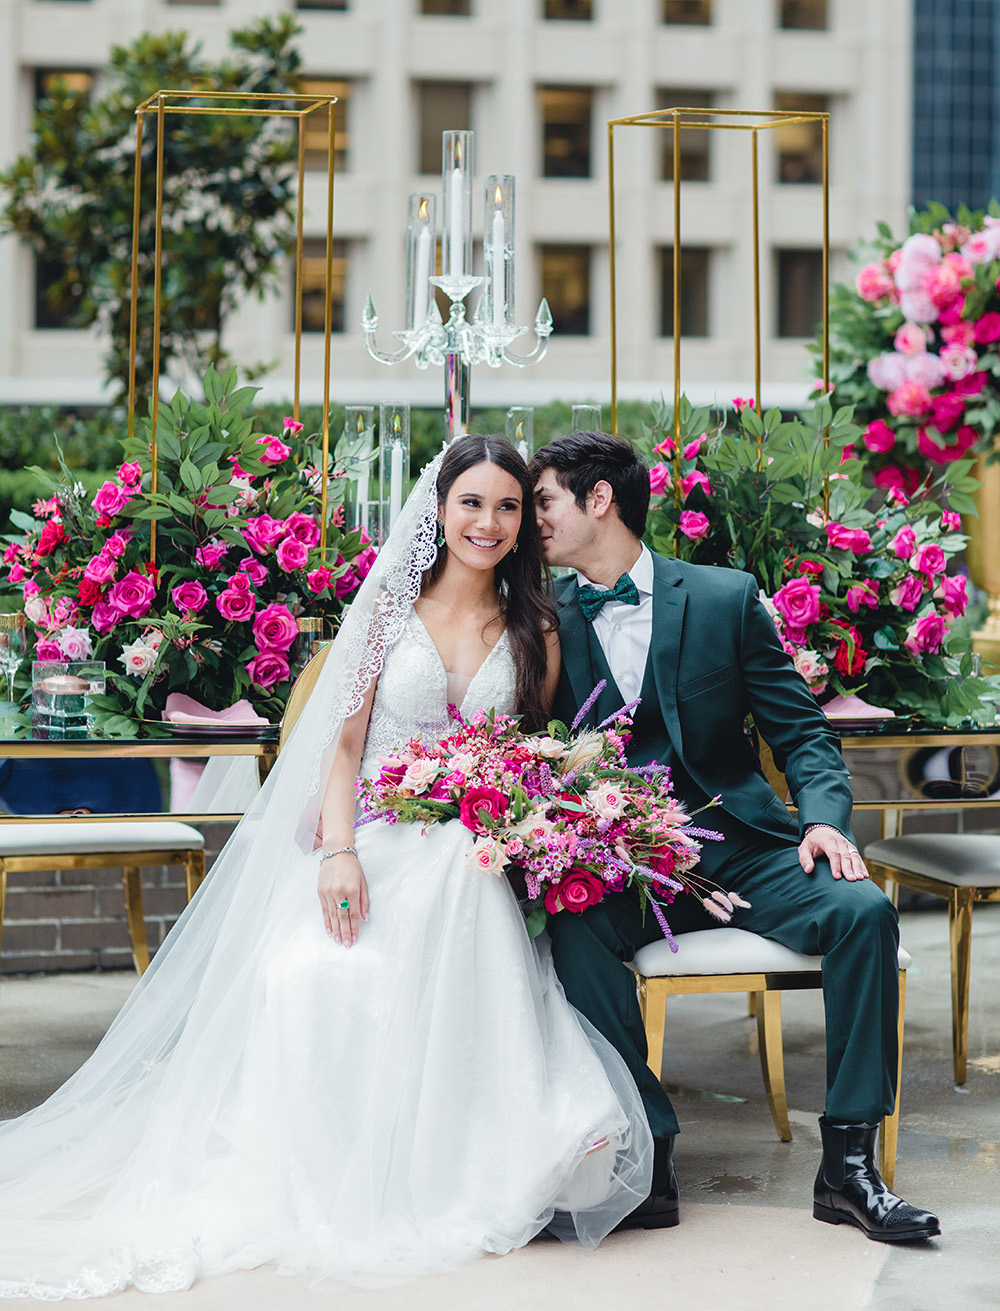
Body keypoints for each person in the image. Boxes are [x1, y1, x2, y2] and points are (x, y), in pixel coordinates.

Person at [0, 436, 651, 1299]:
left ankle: (471, 1151)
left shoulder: (535, 626)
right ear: (439, 508)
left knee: (465, 867)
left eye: (505, 506)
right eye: (470, 503)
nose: (487, 523)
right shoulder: (387, 610)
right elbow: (343, 749)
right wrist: (339, 854)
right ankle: (328, 1162)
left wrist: (507, 808)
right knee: (312, 976)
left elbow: (528, 751)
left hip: (471, 855)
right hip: (372, 838)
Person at [528, 430, 940, 1244]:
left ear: (597, 499)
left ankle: (849, 1169)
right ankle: (649, 1154)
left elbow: (803, 734)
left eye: (543, 500)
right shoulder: (541, 615)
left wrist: (822, 819)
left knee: (862, 913)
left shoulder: (723, 596)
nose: (531, 518)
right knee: (567, 932)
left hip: (744, 846)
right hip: (622, 867)